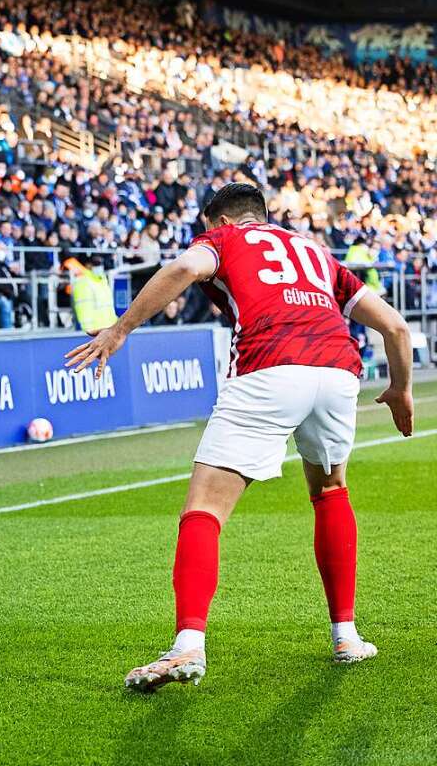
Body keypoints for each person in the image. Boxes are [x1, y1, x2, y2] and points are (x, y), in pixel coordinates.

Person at [66, 183, 415, 690]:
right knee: (331, 492)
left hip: (270, 367)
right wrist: (402, 389)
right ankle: (346, 635)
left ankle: (187, 645)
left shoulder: (227, 241)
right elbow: (397, 329)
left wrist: (120, 329)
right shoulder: (315, 251)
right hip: (339, 372)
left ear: (221, 222)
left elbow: (185, 269)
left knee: (203, 510)